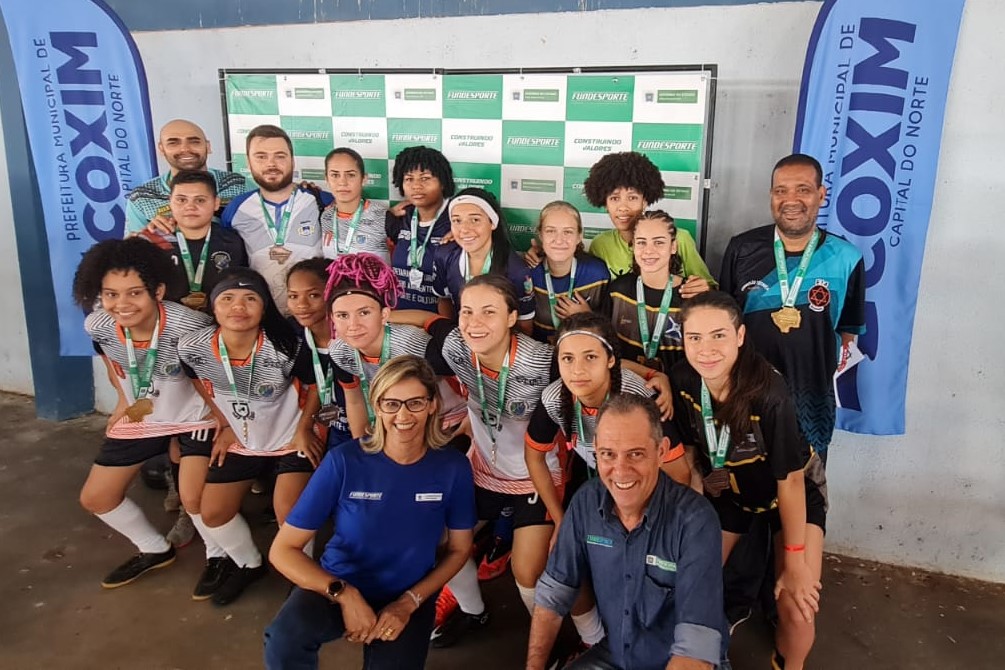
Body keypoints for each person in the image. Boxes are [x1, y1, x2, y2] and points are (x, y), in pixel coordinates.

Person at [263, 355, 476, 670]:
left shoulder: (453, 468)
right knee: (284, 640)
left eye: (415, 403)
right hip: (337, 584)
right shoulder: (344, 461)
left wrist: (409, 603)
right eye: (391, 404)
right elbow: (283, 550)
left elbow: (459, 550)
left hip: (409, 595)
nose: (403, 415)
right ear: (376, 406)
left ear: (433, 405)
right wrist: (344, 594)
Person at [393, 274, 557, 647]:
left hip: (537, 476)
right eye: (467, 311)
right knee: (434, 541)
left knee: (527, 573)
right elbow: (430, 321)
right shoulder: (456, 346)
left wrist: (652, 375)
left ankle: (547, 638)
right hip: (484, 469)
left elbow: (593, 362)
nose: (474, 322)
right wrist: (382, 316)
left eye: (488, 312)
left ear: (513, 317)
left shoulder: (543, 360)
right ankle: (472, 610)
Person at [673, 291, 827, 670]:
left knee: (797, 605)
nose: (706, 349)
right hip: (731, 493)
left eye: (719, 335)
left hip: (791, 494)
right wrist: (696, 480)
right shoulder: (680, 379)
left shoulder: (769, 393)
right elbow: (691, 447)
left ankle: (789, 662)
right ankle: (701, 654)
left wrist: (794, 561)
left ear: (740, 336)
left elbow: (790, 481)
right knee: (691, 585)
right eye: (694, 338)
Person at [524, 312, 691, 656]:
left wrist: (647, 522)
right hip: (597, 489)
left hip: (646, 491)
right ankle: (594, 640)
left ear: (611, 359)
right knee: (564, 557)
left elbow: (679, 474)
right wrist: (561, 520)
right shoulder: (556, 397)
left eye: (590, 357)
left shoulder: (637, 398)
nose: (578, 370)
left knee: (634, 564)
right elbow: (534, 457)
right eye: (567, 359)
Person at [527, 393, 728, 670]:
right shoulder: (586, 501)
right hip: (617, 655)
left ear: (661, 452)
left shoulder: (696, 520)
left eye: (635, 454)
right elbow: (553, 596)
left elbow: (694, 652)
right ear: (595, 450)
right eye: (608, 454)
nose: (620, 471)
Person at [72, 237, 218, 590]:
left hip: (196, 415)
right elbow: (112, 364)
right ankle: (154, 549)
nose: (121, 304)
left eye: (134, 293)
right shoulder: (99, 325)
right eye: (110, 294)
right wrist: (124, 404)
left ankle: (220, 556)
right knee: (96, 497)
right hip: (145, 412)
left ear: (158, 290)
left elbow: (217, 380)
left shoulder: (191, 326)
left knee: (195, 498)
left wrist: (224, 423)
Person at [177, 268, 324, 606]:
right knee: (212, 511)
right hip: (244, 439)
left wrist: (304, 430)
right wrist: (224, 422)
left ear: (264, 307)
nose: (238, 307)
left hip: (289, 436)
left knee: (290, 512)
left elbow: (315, 386)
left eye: (250, 299)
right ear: (214, 308)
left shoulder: (286, 345)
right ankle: (248, 563)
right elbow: (196, 378)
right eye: (227, 299)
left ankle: (302, 578)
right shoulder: (194, 347)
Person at [718, 153, 866, 462]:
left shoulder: (847, 258)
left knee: (806, 497)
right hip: (746, 396)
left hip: (811, 402)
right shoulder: (741, 249)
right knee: (745, 490)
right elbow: (723, 324)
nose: (791, 199)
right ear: (771, 195)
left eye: (803, 189)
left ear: (821, 195)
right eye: (780, 190)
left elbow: (848, 331)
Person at [324, 253, 467, 437]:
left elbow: (471, 375)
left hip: (447, 421)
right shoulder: (339, 351)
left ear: (384, 314)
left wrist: (473, 419)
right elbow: (355, 402)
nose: (353, 326)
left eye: (364, 313)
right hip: (397, 424)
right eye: (343, 315)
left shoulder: (412, 345)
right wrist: (359, 449)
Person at [221, 125, 329, 311]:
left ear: (292, 161)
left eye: (280, 156)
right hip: (264, 314)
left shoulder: (321, 200)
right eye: (261, 156)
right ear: (248, 162)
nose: (271, 164)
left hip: (317, 312)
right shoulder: (236, 209)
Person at [581, 151, 714, 293]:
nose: (623, 208)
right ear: (605, 203)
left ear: (644, 201)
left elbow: (710, 289)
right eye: (614, 198)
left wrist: (704, 287)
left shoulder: (679, 238)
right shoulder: (601, 244)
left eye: (632, 198)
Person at [602, 210, 711, 377]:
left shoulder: (692, 295)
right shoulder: (618, 291)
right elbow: (606, 350)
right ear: (633, 245)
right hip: (627, 389)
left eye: (659, 242)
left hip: (677, 394)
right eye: (641, 242)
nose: (648, 251)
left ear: (673, 246)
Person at [141, 169, 249, 309]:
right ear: (170, 202)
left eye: (200, 200)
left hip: (217, 323)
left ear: (216, 203)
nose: (190, 206)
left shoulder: (233, 241)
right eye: (181, 200)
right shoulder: (150, 242)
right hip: (166, 325)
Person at [433, 187, 536, 334]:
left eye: (474, 220)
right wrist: (451, 337)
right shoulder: (444, 254)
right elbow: (444, 300)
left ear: (492, 222)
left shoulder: (516, 270)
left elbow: (524, 325)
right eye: (457, 220)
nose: (464, 229)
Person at [125, 119, 247, 234]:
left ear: (208, 146)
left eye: (194, 142)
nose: (185, 149)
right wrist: (147, 234)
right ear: (161, 149)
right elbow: (130, 251)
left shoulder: (238, 184)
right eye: (173, 143)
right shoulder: (142, 197)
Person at [285, 258, 353, 449]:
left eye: (313, 295)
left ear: (334, 293)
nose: (301, 305)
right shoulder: (293, 334)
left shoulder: (357, 335)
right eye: (293, 296)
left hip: (367, 427)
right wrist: (303, 428)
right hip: (330, 427)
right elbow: (315, 385)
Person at [384, 146, 455, 313]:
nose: (416, 186)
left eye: (425, 178)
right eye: (408, 179)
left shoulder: (456, 219)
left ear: (443, 182)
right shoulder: (400, 217)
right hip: (400, 320)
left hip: (439, 324)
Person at [527, 201, 610, 343]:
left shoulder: (597, 274)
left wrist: (586, 317)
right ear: (540, 234)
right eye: (551, 231)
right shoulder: (528, 272)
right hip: (540, 356)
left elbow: (610, 333)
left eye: (568, 232)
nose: (559, 240)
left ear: (579, 236)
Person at [320, 147, 391, 262]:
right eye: (335, 175)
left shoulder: (383, 217)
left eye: (351, 175)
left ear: (364, 179)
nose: (342, 182)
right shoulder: (325, 217)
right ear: (326, 179)